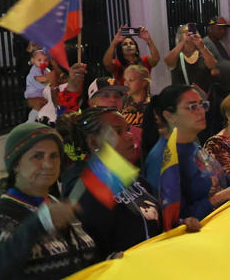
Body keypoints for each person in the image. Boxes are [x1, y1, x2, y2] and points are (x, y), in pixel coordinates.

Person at [0, 121, 100, 280]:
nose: (48, 164)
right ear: (16, 165)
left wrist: (106, 265)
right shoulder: (2, 213)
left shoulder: (56, 205)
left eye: (54, 156)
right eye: (37, 156)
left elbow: (79, 260)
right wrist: (40, 223)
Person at [73, 109, 176, 256]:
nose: (129, 136)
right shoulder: (87, 190)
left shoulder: (138, 181)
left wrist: (181, 226)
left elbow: (155, 227)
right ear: (94, 142)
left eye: (127, 130)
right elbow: (93, 250)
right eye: (118, 132)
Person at [143, 87, 230, 227]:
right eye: (192, 107)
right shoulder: (163, 159)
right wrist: (220, 197)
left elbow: (216, 178)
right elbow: (174, 220)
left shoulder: (191, 143)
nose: (201, 111)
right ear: (169, 116)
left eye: (202, 105)